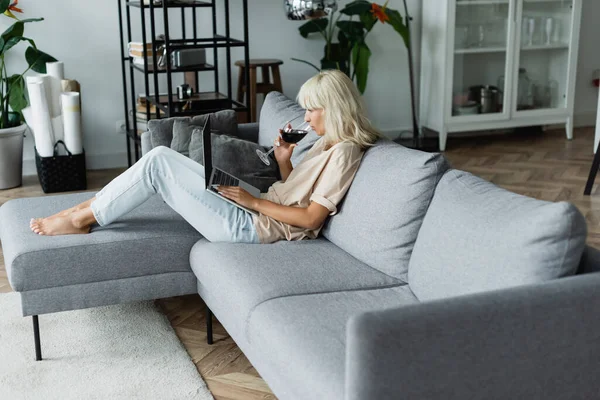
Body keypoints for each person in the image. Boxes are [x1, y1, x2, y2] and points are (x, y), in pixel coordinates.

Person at [29, 70, 381, 243]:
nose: (306, 118)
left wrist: (253, 203)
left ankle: (82, 219)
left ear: (334, 109)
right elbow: (294, 191)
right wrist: (284, 159)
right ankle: (88, 208)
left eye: (312, 110)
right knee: (164, 154)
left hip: (253, 227)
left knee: (157, 163)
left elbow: (310, 219)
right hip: (255, 206)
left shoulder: (346, 151)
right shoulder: (325, 142)